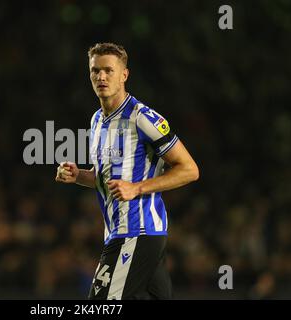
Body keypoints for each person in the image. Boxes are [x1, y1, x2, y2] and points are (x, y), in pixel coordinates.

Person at [55, 42, 199, 300]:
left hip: (136, 233)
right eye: (95, 71)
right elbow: (106, 179)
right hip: (122, 234)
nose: (101, 76)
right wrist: (79, 176)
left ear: (124, 75)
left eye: (109, 70)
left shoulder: (143, 118)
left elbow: (189, 169)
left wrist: (137, 188)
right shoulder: (97, 120)